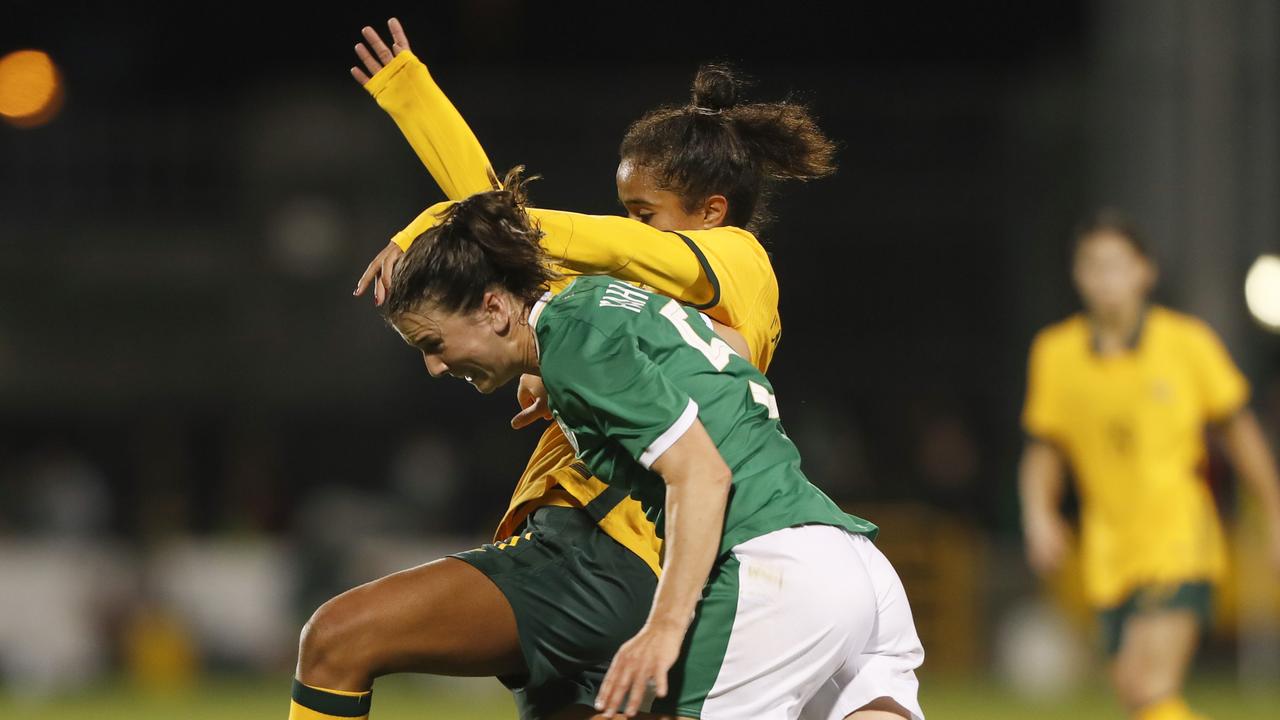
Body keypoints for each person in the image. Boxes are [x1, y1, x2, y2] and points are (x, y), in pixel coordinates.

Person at [287, 19, 919, 720]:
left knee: (339, 638)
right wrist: (415, 101)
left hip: (641, 541)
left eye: (643, 213)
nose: (629, 228)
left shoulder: (734, 263)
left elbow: (524, 234)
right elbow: (516, 250)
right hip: (818, 549)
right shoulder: (618, 300)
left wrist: (437, 226)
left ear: (711, 212)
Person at [382, 172, 924, 720]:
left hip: (769, 572)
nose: (434, 366)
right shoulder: (604, 300)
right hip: (849, 560)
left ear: (496, 309)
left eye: (433, 343)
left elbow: (702, 475)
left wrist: (663, 628)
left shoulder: (574, 342)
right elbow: (727, 353)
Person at [1019, 210, 1280, 720]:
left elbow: (1240, 432)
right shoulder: (1055, 353)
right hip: (1108, 553)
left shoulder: (1188, 343)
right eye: (1093, 266)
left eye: (1117, 265)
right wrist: (1038, 512)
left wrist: (1273, 511)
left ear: (1145, 272)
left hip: (1179, 539)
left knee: (1146, 683)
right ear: (1077, 276)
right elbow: (1044, 447)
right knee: (1141, 699)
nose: (1105, 279)